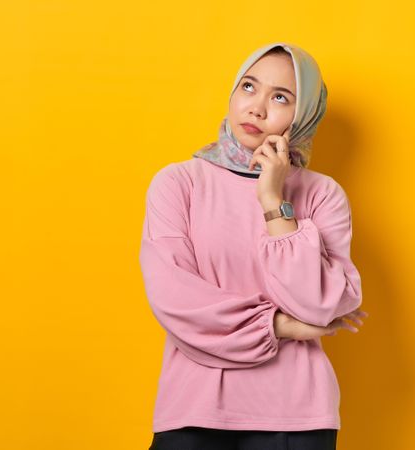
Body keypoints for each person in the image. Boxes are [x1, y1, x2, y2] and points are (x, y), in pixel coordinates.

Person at [139, 42, 369, 450]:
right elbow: (175, 299)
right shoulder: (179, 183)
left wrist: (272, 199)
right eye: (249, 87)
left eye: (280, 97)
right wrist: (280, 327)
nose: (257, 108)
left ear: (304, 115)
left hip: (296, 415)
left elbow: (318, 303)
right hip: (194, 409)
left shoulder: (323, 195)